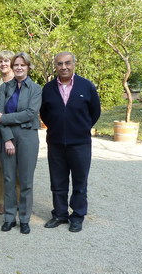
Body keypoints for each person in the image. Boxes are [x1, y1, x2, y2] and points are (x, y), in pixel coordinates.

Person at [40, 52, 101, 233]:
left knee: (80, 182)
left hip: (80, 143)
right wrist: (58, 127)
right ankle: (59, 214)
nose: (64, 67)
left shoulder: (86, 86)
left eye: (67, 63)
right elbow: (44, 113)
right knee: (57, 182)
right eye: (60, 64)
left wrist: (81, 127)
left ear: (74, 64)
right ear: (55, 66)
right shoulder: (48, 88)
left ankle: (77, 216)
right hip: (56, 143)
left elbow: (95, 112)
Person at [0, 52, 42, 235]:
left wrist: (6, 117)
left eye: (23, 65)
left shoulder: (36, 89)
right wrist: (7, 139)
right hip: (8, 138)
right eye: (16, 65)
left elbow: (30, 113)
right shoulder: (5, 88)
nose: (19, 68)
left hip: (28, 137)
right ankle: (8, 218)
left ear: (28, 67)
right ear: (12, 67)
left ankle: (25, 219)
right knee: (9, 179)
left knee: (26, 180)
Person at [0, 50, 17, 215]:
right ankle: (0, 201)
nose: (3, 64)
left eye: (7, 61)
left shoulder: (20, 80)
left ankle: (18, 199)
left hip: (17, 128)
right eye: (0, 61)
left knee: (18, 167)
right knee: (0, 166)